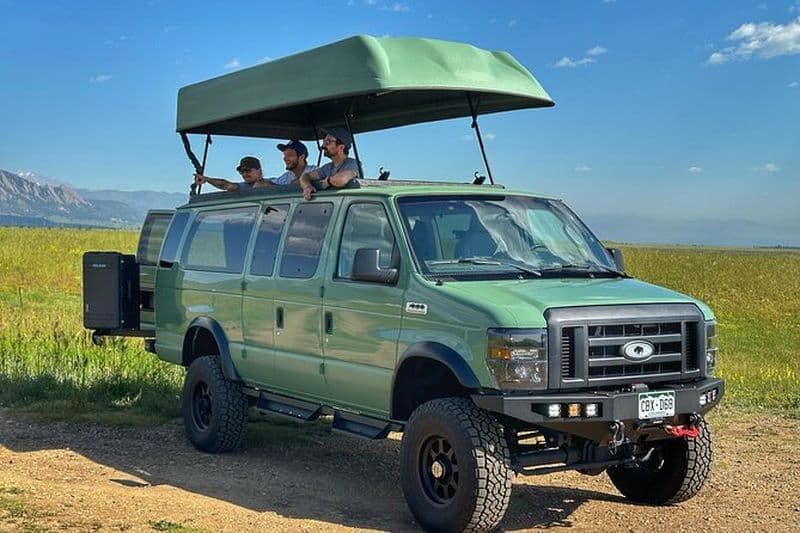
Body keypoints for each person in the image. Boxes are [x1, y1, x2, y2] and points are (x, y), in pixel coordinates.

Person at [298, 127, 360, 200]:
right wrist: (307, 187)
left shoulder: (353, 163)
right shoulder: (327, 167)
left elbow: (343, 179)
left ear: (341, 147)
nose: (323, 146)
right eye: (324, 142)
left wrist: (328, 181)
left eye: (327, 142)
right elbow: (304, 176)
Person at [194, 156, 269, 191]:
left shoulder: (273, 182)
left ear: (259, 171)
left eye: (248, 170)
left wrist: (266, 186)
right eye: (241, 172)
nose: (244, 174)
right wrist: (206, 179)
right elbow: (225, 185)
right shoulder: (242, 187)